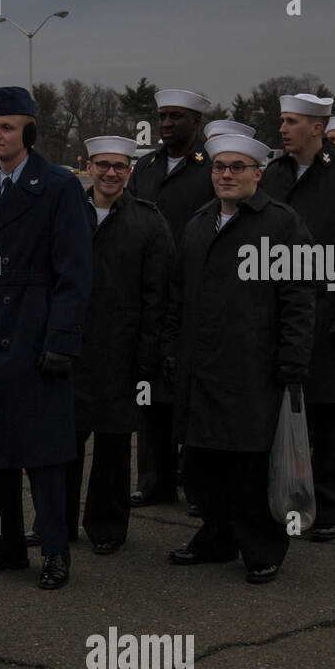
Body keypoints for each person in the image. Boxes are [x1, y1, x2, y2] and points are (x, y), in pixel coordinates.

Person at [163, 133, 317, 584]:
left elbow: (300, 299)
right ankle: (215, 538)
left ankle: (261, 548)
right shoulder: (198, 223)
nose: (226, 175)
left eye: (236, 167)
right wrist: (171, 350)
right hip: (200, 364)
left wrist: (293, 360)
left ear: (257, 173)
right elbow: (178, 294)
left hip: (254, 367)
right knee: (203, 463)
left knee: (249, 465)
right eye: (219, 168)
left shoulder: (283, 225)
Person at [0, 86, 93, 589]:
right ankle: (4, 547)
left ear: (28, 133)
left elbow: (75, 273)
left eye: (7, 127)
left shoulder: (58, 186)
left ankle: (55, 552)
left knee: (44, 455)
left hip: (36, 336)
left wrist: (62, 338)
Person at [259, 93, 335, 543]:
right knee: (281, 413)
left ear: (317, 128)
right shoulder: (275, 172)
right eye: (282, 121)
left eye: (292, 122)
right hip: (283, 310)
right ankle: (287, 499)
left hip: (329, 311)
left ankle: (331, 507)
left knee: (328, 416)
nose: (284, 129)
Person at [65, 135, 171, 554]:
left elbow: (157, 294)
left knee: (112, 446)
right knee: (63, 444)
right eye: (103, 165)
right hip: (69, 348)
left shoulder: (148, 222)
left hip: (119, 351)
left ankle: (107, 527)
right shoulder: (67, 213)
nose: (111, 173)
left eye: (120, 167)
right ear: (88, 167)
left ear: (129, 172)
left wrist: (148, 355)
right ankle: (58, 522)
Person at [127, 89, 214, 511]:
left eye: (176, 117)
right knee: (150, 391)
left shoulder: (212, 167)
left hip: (196, 290)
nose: (165, 124)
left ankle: (197, 484)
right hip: (150, 292)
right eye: (162, 117)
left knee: (194, 392)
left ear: (196, 122)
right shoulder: (145, 167)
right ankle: (154, 481)